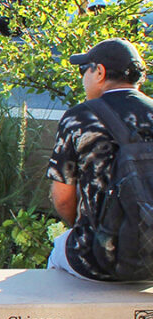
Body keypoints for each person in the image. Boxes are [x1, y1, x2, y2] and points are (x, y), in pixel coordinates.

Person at [47, 38, 153, 281]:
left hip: (96, 258)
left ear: (100, 72)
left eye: (85, 70)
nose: (83, 76)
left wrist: (87, 227)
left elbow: (63, 199)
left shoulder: (79, 118)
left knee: (57, 255)